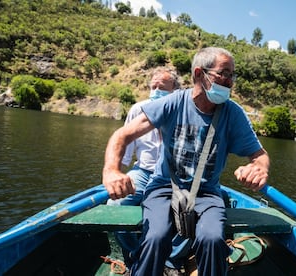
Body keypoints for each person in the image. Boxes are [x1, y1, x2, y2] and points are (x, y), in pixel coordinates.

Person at [102, 47, 269, 275]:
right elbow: (122, 135)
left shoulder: (233, 114)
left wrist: (258, 169)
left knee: (212, 240)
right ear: (200, 73)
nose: (230, 81)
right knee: (156, 237)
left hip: (207, 192)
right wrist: (111, 170)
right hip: (163, 187)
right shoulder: (173, 103)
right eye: (224, 73)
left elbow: (259, 155)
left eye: (232, 75)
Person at [106, 66, 180, 269]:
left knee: (190, 210)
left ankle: (169, 260)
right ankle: (137, 254)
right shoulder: (138, 109)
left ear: (174, 90)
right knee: (114, 207)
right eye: (153, 86)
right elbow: (125, 151)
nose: (156, 90)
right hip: (143, 172)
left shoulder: (183, 110)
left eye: (162, 87)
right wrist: (115, 174)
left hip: (173, 176)